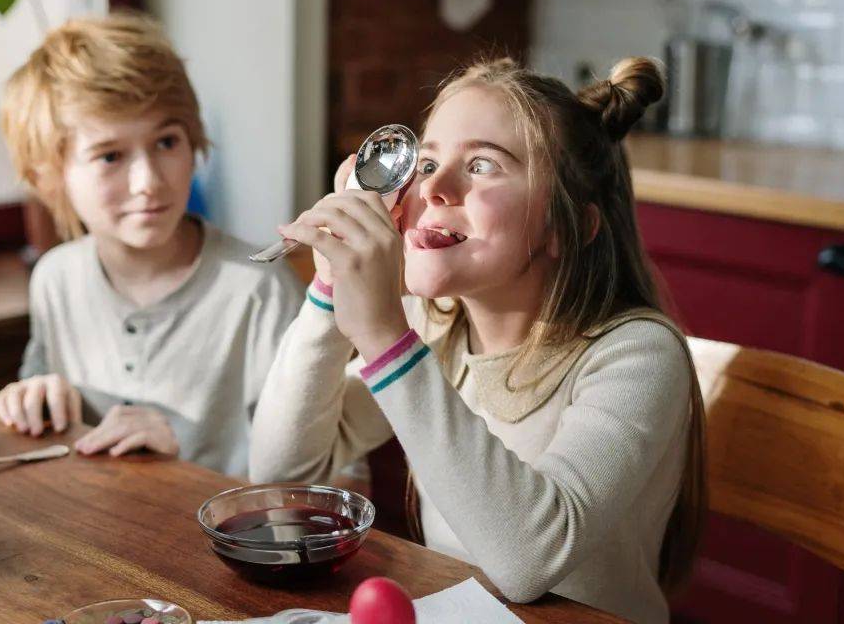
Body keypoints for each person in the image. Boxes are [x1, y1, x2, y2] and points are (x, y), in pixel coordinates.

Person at [249, 56, 705, 622]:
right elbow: (283, 475)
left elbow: (527, 561)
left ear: (565, 227)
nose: (435, 187)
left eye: (484, 165)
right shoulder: (437, 328)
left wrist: (384, 338)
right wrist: (327, 290)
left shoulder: (637, 355)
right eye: (428, 160)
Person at [0, 12, 303, 476]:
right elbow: (44, 399)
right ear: (48, 175)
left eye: (166, 142)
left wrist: (186, 453)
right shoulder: (55, 279)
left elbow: (329, 480)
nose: (149, 182)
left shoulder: (261, 290)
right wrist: (33, 395)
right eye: (111, 156)